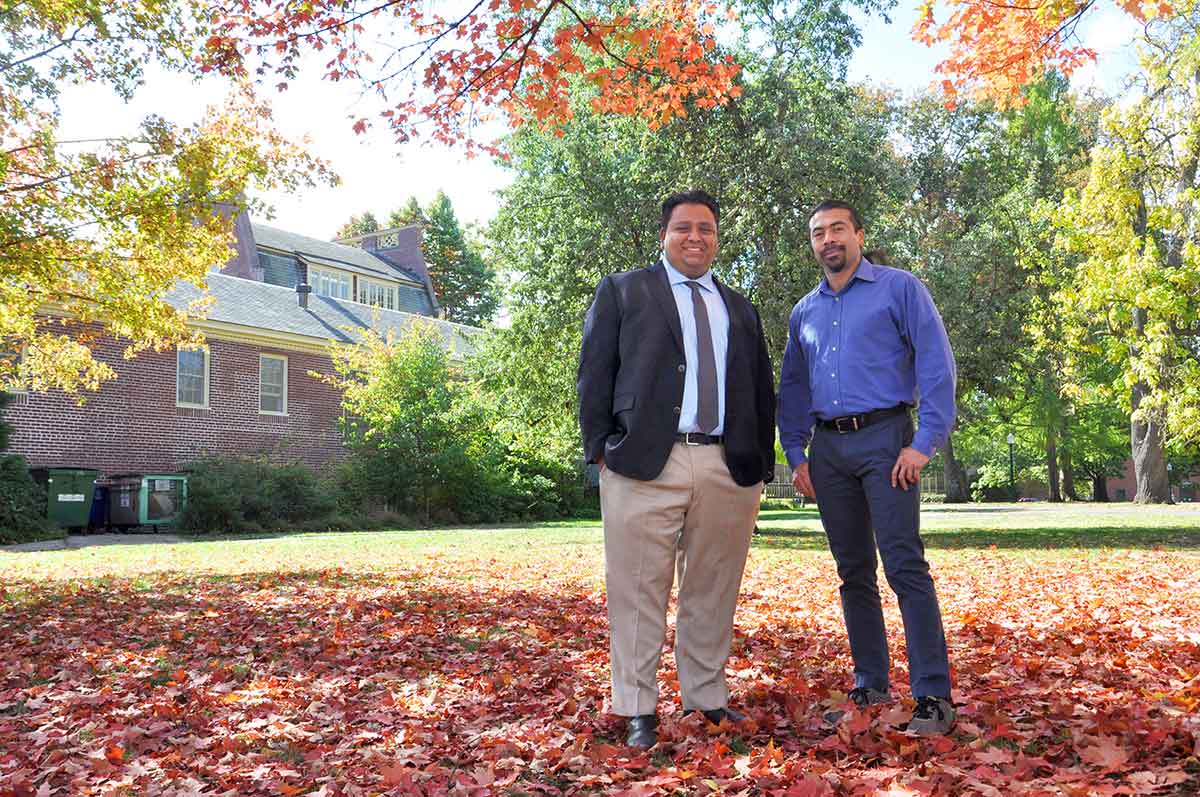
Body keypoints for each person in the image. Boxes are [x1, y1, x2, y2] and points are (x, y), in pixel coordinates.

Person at [577, 190, 776, 749]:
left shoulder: (739, 306)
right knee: (638, 589)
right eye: (684, 227)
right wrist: (600, 449)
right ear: (663, 234)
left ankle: (707, 698)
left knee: (712, 589)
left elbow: (762, 389)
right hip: (643, 464)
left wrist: (760, 461)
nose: (696, 237)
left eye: (706, 229)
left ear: (717, 237)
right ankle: (637, 708)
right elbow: (594, 373)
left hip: (725, 466)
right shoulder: (623, 291)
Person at [777, 200, 958, 735]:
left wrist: (923, 444)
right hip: (829, 452)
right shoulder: (804, 311)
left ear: (857, 233)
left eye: (837, 228)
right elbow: (793, 387)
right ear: (812, 244)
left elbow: (936, 364)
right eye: (817, 233)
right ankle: (871, 685)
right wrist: (795, 454)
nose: (828, 239)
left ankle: (933, 697)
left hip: (887, 441)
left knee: (904, 567)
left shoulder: (900, 289)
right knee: (853, 573)